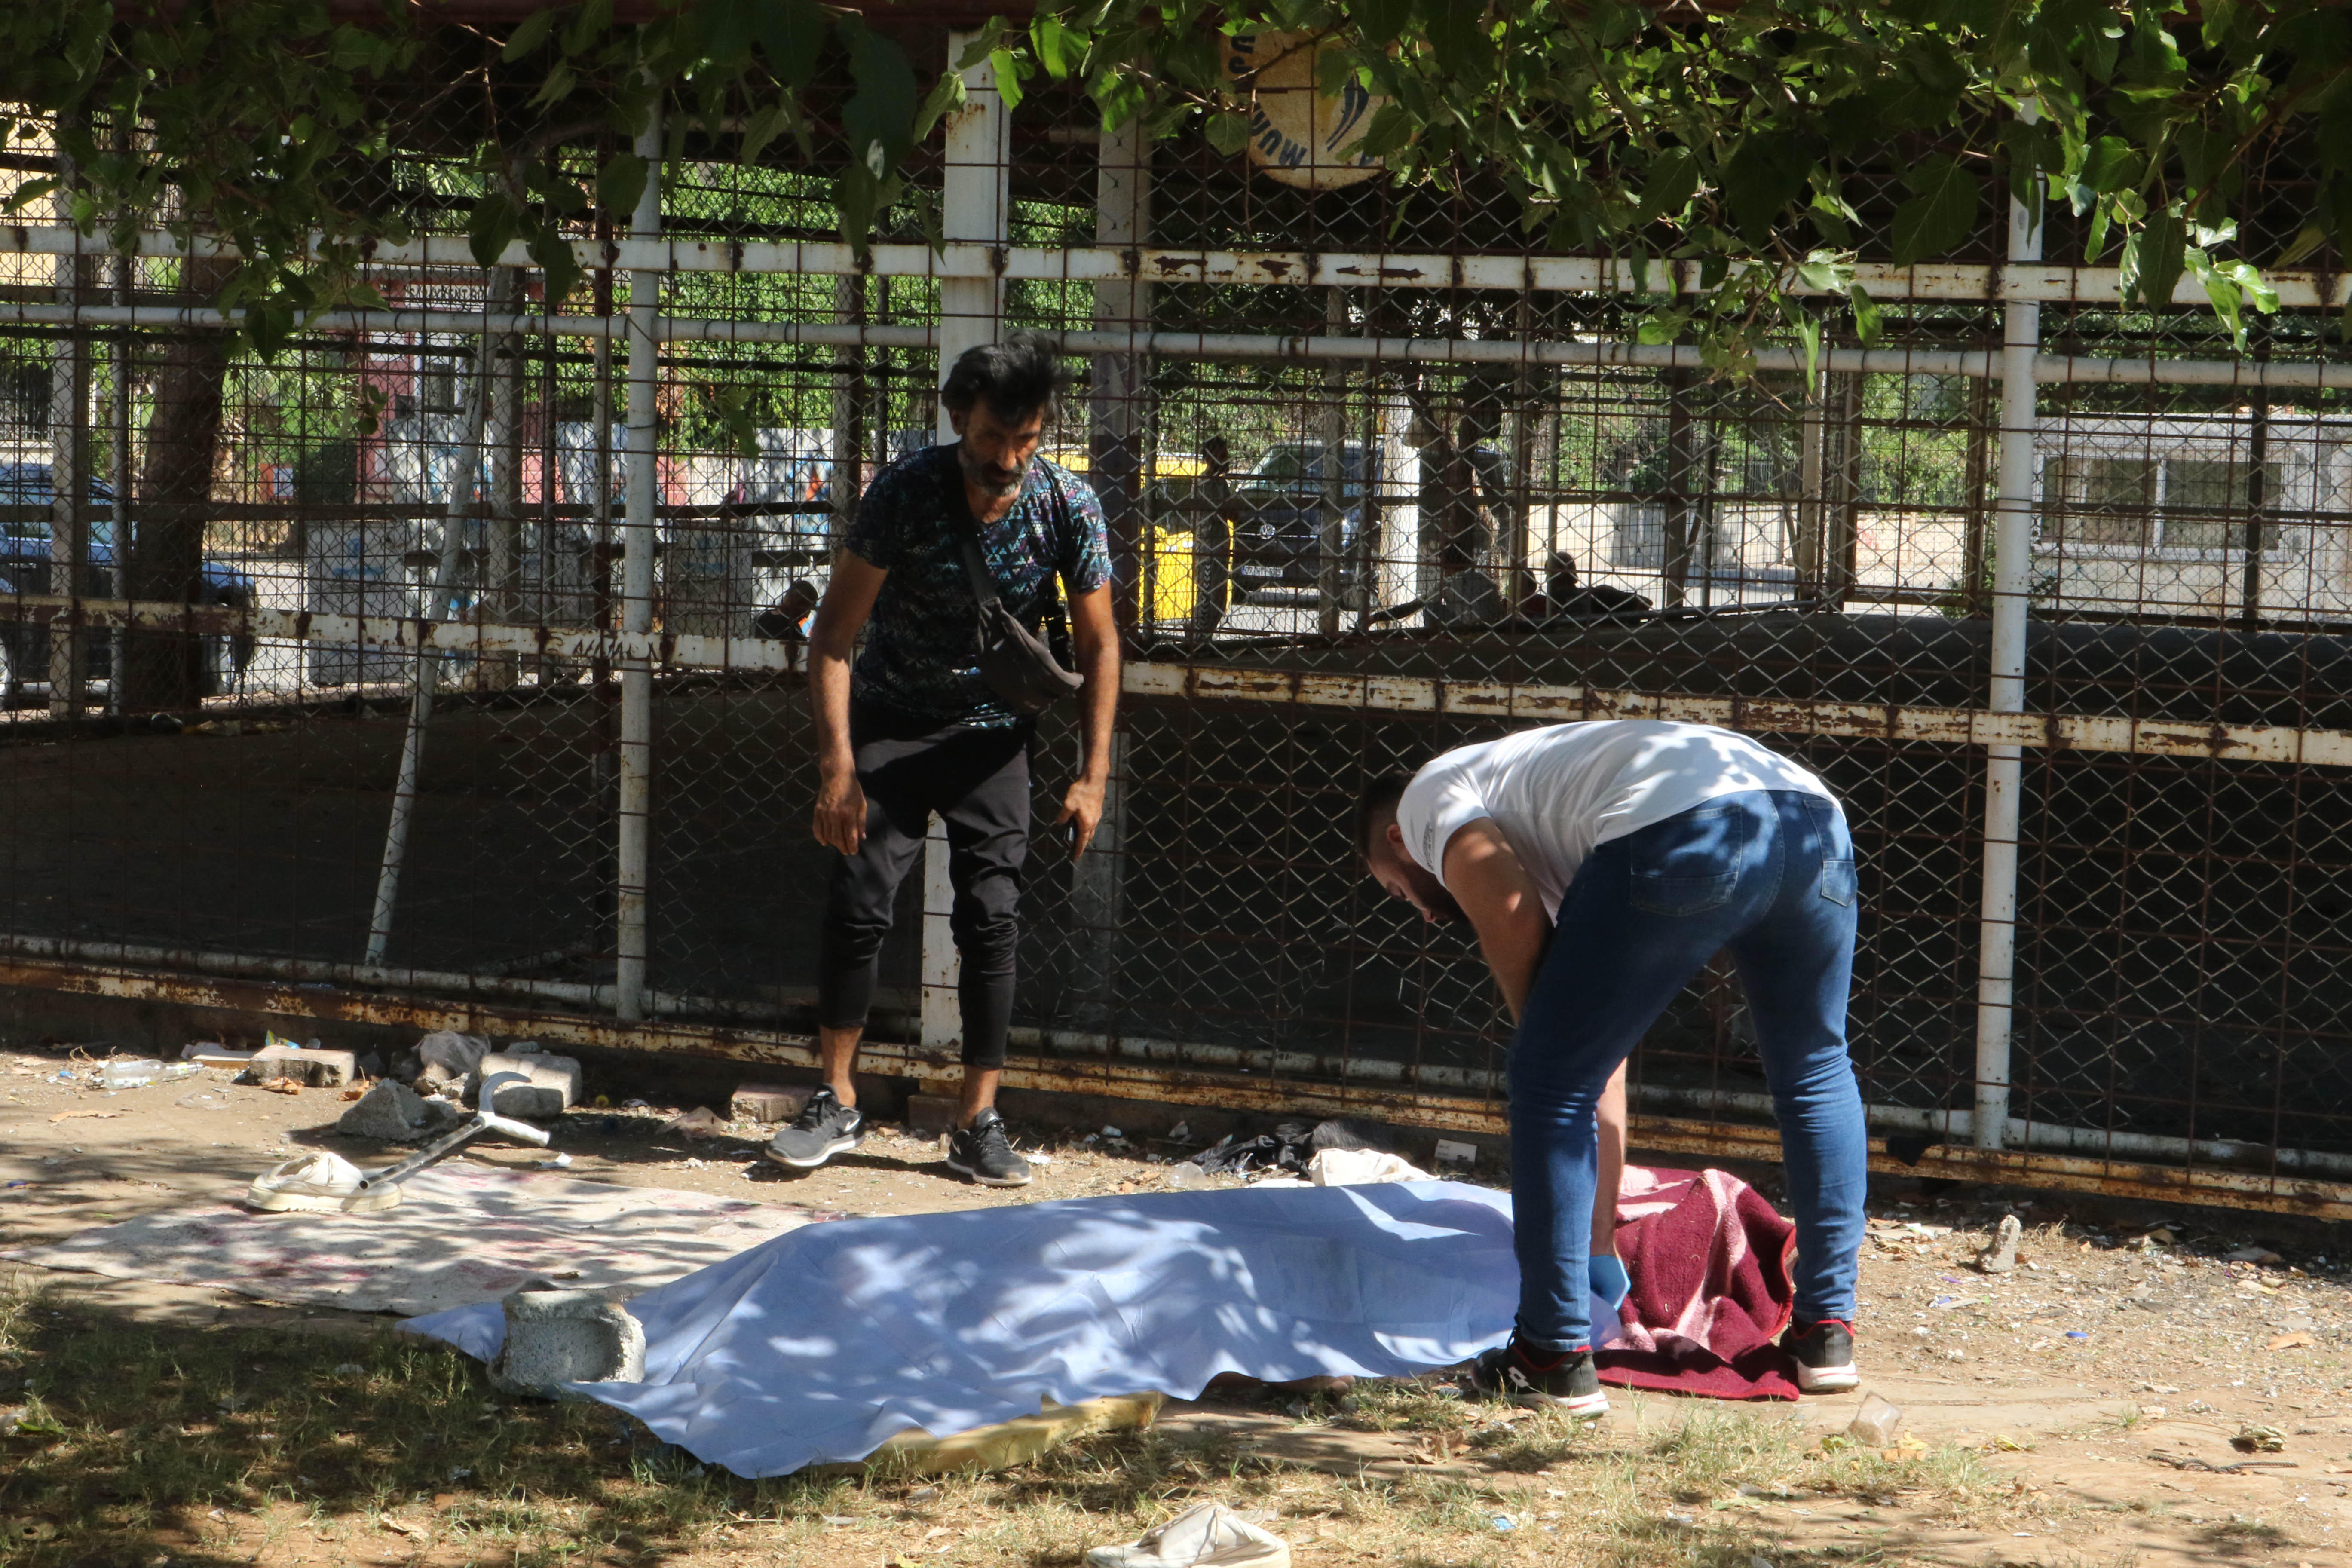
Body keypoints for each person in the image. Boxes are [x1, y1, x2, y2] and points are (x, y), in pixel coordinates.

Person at [1357, 720, 1868, 1414]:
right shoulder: (1559, 823)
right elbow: (1606, 1052)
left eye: (1398, 890)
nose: (1416, 910)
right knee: (1814, 1069)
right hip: (1811, 821)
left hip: (1686, 823)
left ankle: (1552, 1350)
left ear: (1397, 844)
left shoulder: (1425, 801)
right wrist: (1597, 1235)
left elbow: (1511, 917)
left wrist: (1550, 1053)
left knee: (1545, 1078)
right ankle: (1826, 1328)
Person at [774, 333, 1119, 1187]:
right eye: (992, 439)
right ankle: (836, 1096)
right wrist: (839, 769)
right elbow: (835, 639)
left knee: (991, 919)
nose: (1008, 459)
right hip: (890, 721)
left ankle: (977, 1118)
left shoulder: (1067, 506)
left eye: (1027, 440)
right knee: (858, 903)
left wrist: (1092, 775)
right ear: (958, 417)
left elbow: (1101, 643)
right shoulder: (904, 493)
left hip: (994, 733)